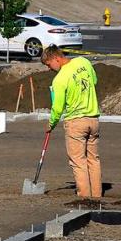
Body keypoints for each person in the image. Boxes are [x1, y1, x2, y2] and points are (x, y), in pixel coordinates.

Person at [41, 45, 102, 199]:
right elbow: (94, 81)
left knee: (78, 162)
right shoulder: (84, 62)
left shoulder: (59, 79)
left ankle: (85, 198)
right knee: (93, 160)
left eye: (49, 65)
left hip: (75, 122)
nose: (50, 69)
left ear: (56, 58)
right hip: (93, 119)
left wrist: (51, 124)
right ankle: (96, 195)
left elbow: (58, 107)